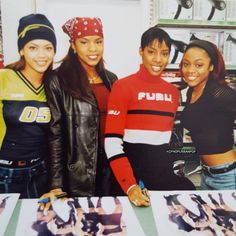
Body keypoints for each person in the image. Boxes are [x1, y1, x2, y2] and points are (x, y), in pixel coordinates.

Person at [104, 26, 195, 207]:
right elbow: (112, 143)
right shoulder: (122, 86)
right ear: (141, 52)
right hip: (128, 179)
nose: (158, 59)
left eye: (164, 53)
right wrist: (130, 186)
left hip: (161, 178)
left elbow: (162, 144)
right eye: (151, 52)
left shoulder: (173, 93)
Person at [40, 17, 118, 200]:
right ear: (73, 45)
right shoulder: (57, 80)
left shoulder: (112, 79)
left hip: (110, 168)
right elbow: (55, 135)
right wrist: (56, 184)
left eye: (98, 42)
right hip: (77, 173)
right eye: (84, 42)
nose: (93, 49)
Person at [0, 14, 56, 198]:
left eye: (48, 48)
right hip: (5, 173)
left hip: (41, 172)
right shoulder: (4, 78)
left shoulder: (55, 84)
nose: (42, 55)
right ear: (22, 50)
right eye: (33, 47)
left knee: (36, 225)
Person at [180, 39, 236, 190]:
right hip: (207, 175)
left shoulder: (220, 93)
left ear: (211, 66)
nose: (190, 70)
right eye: (186, 64)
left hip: (228, 176)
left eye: (199, 65)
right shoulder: (192, 91)